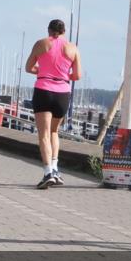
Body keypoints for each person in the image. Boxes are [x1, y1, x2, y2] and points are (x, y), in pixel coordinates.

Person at [25, 19, 82, 189]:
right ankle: (55, 169)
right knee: (54, 131)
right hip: (62, 93)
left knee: (43, 134)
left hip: (43, 90)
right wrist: (63, 75)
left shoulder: (41, 44)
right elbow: (77, 75)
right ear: (64, 31)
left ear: (49, 30)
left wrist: (43, 71)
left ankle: (48, 172)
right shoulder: (73, 48)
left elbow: (29, 67)